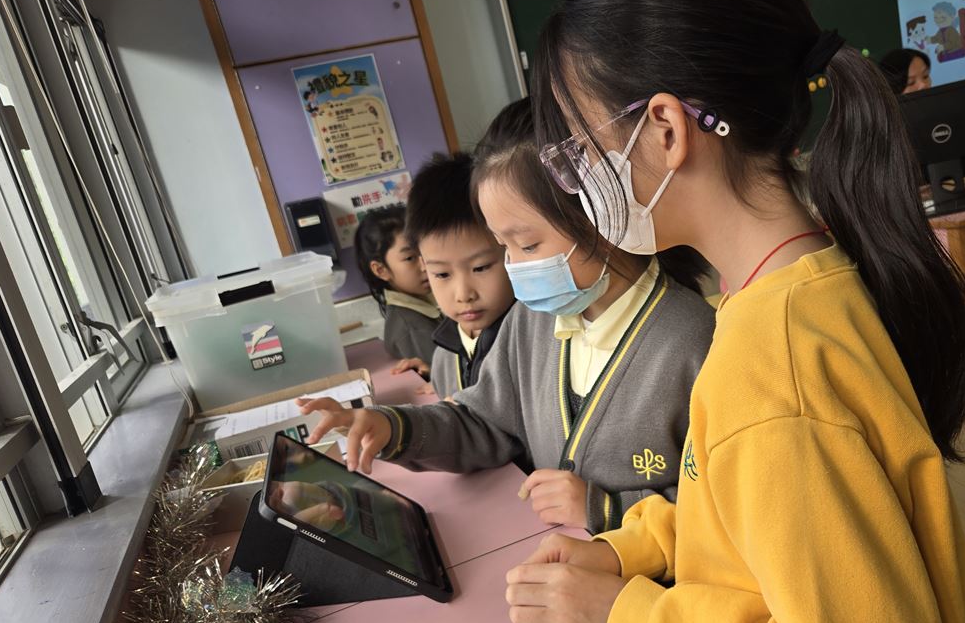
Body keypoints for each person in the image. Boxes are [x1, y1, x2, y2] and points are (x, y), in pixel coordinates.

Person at [501, 0, 965, 623]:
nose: (575, 183)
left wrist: (631, 618)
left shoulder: (772, 368)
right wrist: (630, 550)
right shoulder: (787, 287)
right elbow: (740, 511)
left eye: (578, 151)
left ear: (664, 129)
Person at [301, 98, 715, 535]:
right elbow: (484, 421)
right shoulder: (532, 322)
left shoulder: (693, 341)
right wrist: (392, 427)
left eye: (528, 245)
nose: (515, 266)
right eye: (504, 248)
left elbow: (720, 502)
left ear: (602, 214)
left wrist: (605, 509)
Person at [399, 151, 516, 399]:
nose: (464, 294)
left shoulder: (531, 341)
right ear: (423, 266)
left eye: (480, 267)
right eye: (442, 274)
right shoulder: (443, 357)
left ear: (511, 249)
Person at [354, 205, 440, 364]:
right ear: (381, 270)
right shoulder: (413, 329)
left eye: (426, 251)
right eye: (410, 258)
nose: (425, 265)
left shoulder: (428, 306)